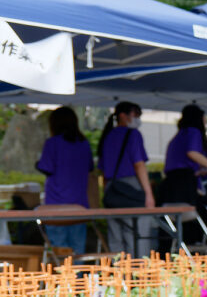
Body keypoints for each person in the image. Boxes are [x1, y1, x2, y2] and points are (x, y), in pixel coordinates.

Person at [97, 101, 156, 257]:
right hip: (131, 189)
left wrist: (106, 193)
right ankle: (139, 278)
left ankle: (120, 278)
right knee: (139, 238)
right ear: (123, 115)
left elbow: (102, 171)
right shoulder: (133, 134)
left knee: (116, 240)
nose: (137, 119)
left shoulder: (107, 136)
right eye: (135, 115)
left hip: (112, 190)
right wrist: (149, 194)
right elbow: (139, 165)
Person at [35, 106, 93, 255]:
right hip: (79, 206)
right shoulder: (84, 143)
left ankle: (63, 278)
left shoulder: (52, 143)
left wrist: (37, 163)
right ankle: (78, 278)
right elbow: (90, 168)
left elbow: (46, 167)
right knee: (78, 250)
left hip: (56, 206)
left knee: (59, 250)